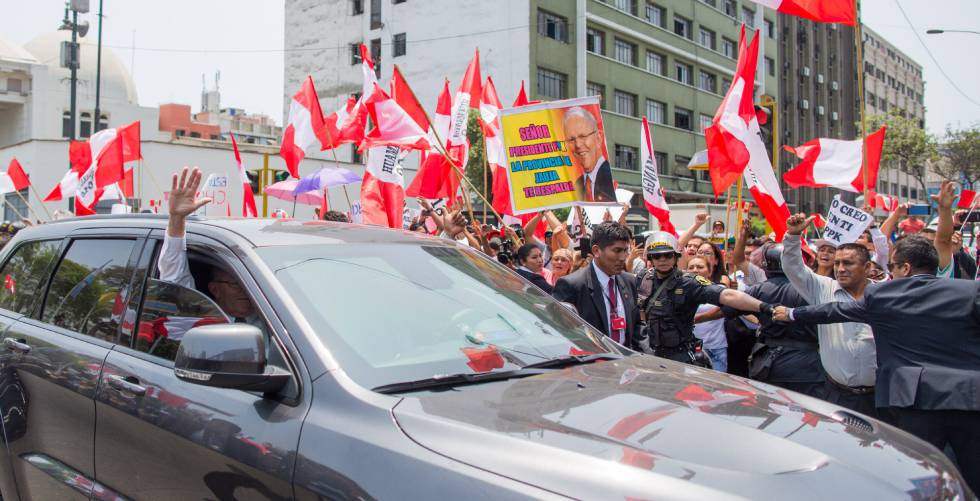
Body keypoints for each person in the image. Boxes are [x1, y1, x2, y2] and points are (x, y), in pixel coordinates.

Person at [773, 236, 980, 492]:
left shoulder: (883, 293)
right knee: (973, 472)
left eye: (892, 267)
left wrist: (793, 313)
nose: (889, 272)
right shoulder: (970, 291)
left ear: (905, 268)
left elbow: (836, 311)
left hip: (913, 398)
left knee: (920, 473)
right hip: (969, 396)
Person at [782, 214, 877, 416]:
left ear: (867, 268)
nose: (841, 269)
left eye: (848, 263)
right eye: (837, 263)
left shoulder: (884, 295)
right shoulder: (823, 288)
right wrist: (793, 235)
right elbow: (793, 268)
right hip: (836, 395)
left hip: (879, 397)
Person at [634, 231, 775, 365]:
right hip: (648, 355)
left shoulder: (689, 282)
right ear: (650, 258)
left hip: (678, 356)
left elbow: (726, 295)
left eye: (668, 255)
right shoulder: (643, 278)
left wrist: (764, 307)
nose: (662, 259)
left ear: (676, 256)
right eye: (657, 256)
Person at [159, 167, 266, 333]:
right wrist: (176, 219)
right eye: (236, 283)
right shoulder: (199, 320)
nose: (245, 290)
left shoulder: (274, 321)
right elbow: (174, 279)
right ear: (215, 289)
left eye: (248, 282)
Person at [727, 242, 824, 398]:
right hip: (807, 366)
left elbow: (727, 310)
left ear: (766, 266)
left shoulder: (758, 290)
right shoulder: (815, 289)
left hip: (769, 364)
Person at [553, 222, 639, 348]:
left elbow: (637, 324)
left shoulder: (629, 281)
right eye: (617, 251)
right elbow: (559, 330)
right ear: (596, 251)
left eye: (626, 250)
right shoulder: (571, 285)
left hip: (627, 363)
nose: (623, 257)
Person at [563, 107, 615, 202]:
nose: (578, 145)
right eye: (571, 139)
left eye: (582, 136)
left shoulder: (611, 179)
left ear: (598, 138)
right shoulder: (578, 184)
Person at [687, 256, 728, 372]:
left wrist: (695, 319)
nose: (695, 270)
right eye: (691, 267)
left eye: (700, 267)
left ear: (709, 272)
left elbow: (725, 309)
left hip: (716, 349)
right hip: (689, 349)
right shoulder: (680, 292)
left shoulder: (719, 290)